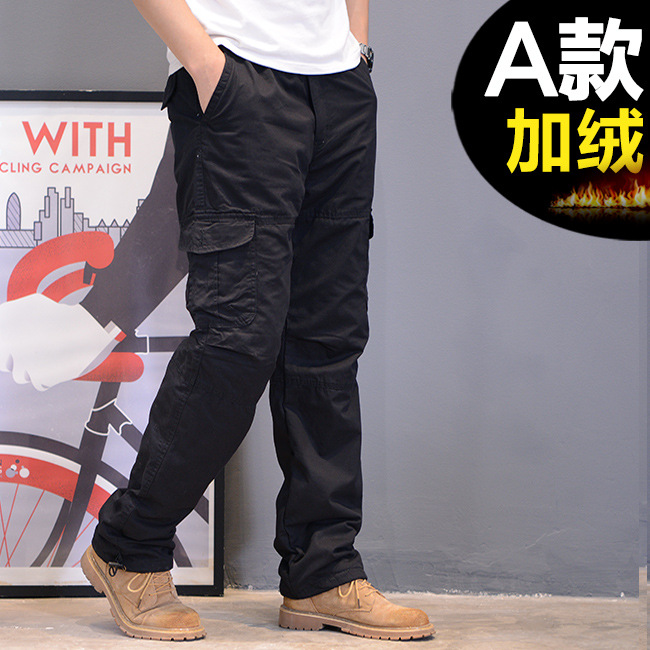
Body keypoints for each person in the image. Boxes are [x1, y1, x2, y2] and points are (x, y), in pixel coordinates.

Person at [76, 0, 433, 641]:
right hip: (238, 80)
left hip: (340, 88)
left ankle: (323, 571)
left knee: (328, 343)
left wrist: (355, 49)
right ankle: (130, 547)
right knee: (238, 340)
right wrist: (205, 63)